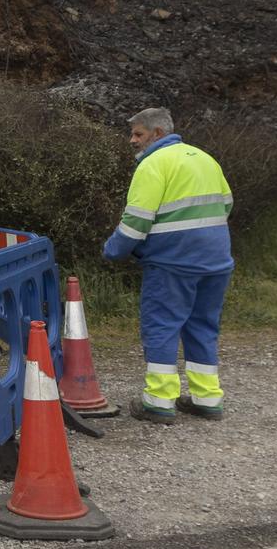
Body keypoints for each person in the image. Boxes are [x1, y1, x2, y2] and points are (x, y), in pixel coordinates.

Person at [100, 107, 235, 425]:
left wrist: (113, 251)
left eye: (138, 134)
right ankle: (207, 398)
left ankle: (159, 402)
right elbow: (226, 204)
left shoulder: (153, 165)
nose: (132, 140)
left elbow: (136, 222)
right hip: (217, 261)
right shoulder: (204, 158)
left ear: (158, 133)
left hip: (174, 263)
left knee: (161, 326)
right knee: (202, 326)